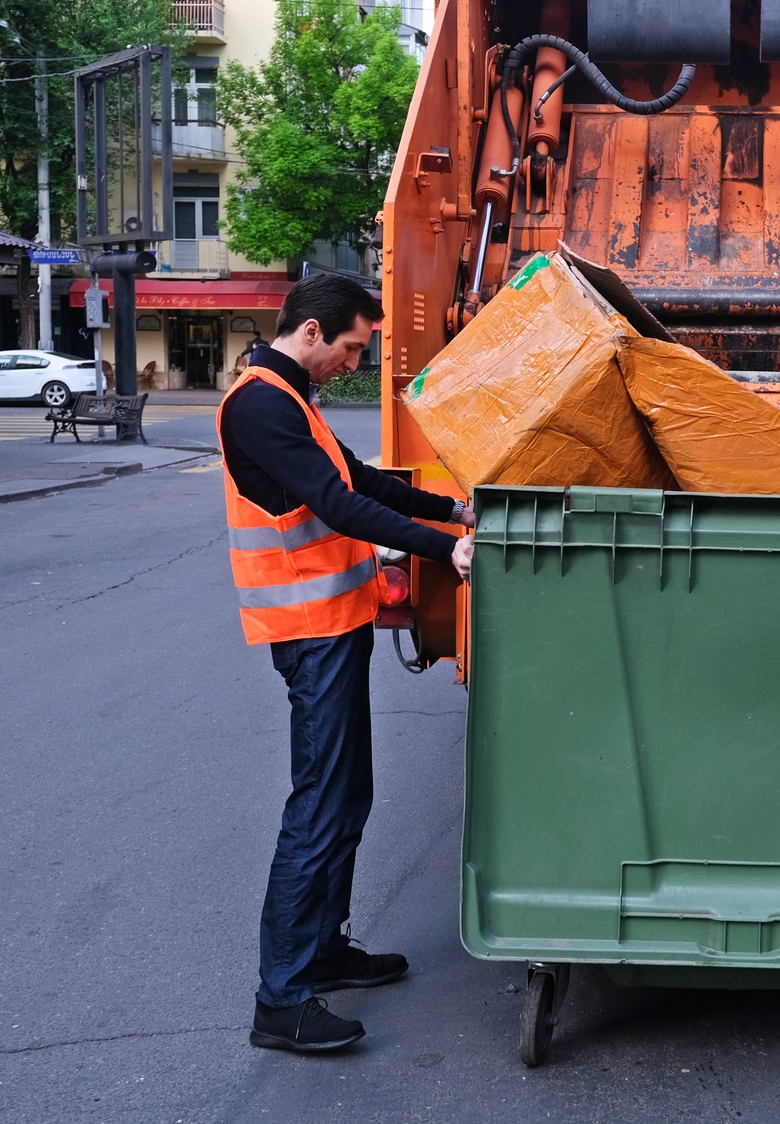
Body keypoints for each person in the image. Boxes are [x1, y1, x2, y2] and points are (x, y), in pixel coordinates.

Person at [217, 272, 475, 1054]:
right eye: (355, 347)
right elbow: (338, 505)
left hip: (336, 622)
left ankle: (324, 947)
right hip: (310, 631)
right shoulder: (260, 403)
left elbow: (356, 478)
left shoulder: (291, 398)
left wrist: (449, 507)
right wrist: (446, 549)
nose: (356, 363)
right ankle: (282, 997)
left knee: (348, 793)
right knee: (319, 805)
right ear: (312, 332)